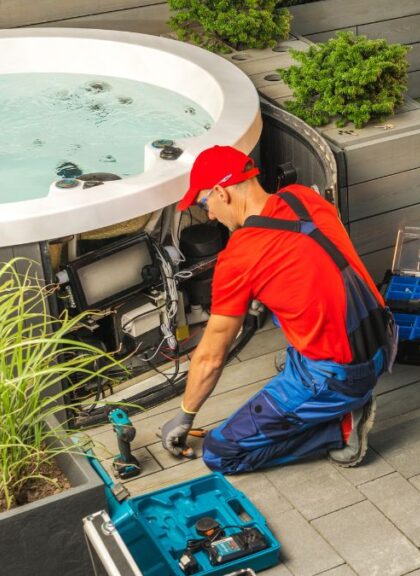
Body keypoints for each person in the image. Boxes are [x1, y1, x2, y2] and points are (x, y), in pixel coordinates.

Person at [159, 145, 394, 473]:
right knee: (290, 323)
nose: (209, 215)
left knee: (220, 453)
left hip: (341, 375)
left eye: (204, 204)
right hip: (382, 338)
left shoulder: (240, 257)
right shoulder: (303, 196)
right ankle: (327, 393)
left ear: (220, 192)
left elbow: (212, 357)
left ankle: (339, 429)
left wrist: (184, 415)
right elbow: (316, 258)